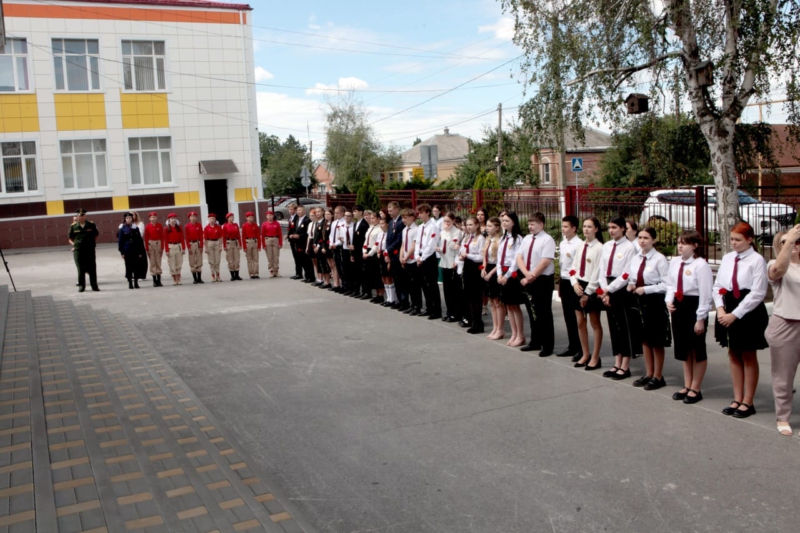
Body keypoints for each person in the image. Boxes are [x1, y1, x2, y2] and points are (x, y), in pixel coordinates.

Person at [713, 221, 769, 419]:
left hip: (748, 312)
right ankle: (737, 397)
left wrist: (735, 314)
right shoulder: (728, 258)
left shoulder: (757, 260)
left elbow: (758, 293)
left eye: (738, 240)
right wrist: (720, 309)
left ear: (749, 239)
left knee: (748, 354)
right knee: (733, 353)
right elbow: (718, 285)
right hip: (727, 306)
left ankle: (748, 401)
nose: (734, 243)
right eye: (732, 239)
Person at [609, 226, 671, 388]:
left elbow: (666, 284)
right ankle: (649, 373)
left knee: (656, 341)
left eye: (646, 238)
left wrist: (646, 289)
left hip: (654, 301)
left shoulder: (659, 259)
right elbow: (630, 276)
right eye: (640, 238)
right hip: (639, 301)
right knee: (645, 339)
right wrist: (631, 284)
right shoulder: (636, 258)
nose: (642, 241)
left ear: (653, 240)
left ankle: (658, 376)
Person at [665, 230, 713, 404]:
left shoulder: (701, 265)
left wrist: (700, 318)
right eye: (679, 242)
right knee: (684, 347)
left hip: (694, 306)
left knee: (696, 348)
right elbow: (670, 284)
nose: (680, 246)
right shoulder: (675, 262)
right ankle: (687, 384)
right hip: (679, 305)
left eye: (684, 243)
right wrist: (669, 300)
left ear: (695, 246)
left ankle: (696, 388)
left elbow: (705, 294)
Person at [766, 225, 800, 435]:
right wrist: (790, 240)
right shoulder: (774, 264)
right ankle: (783, 417)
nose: (794, 244)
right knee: (784, 377)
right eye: (786, 242)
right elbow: (778, 270)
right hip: (785, 326)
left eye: (797, 241)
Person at [599, 216, 640, 380]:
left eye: (614, 227)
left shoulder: (630, 247)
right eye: (609, 227)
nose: (611, 230)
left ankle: (625, 365)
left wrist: (608, 289)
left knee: (624, 327)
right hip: (607, 288)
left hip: (621, 289)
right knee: (613, 326)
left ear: (623, 228)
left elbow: (626, 274)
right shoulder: (607, 246)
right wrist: (604, 290)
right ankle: (617, 362)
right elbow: (602, 269)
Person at [515, 212, 557, 357]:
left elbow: (545, 262)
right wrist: (526, 274)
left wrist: (531, 276)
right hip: (528, 277)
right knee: (531, 311)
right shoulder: (527, 238)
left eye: (533, 224)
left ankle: (547, 345)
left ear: (541, 224)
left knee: (543, 313)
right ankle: (535, 341)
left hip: (542, 279)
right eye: (529, 224)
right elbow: (519, 257)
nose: (530, 227)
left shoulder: (547, 240)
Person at [570, 217, 605, 368]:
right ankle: (585, 353)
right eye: (584, 226)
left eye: (589, 227)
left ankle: (595, 357)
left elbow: (597, 272)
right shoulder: (580, 246)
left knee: (594, 322)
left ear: (596, 229)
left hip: (592, 286)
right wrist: (574, 282)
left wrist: (588, 293)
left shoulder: (600, 248)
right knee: (580, 322)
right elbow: (573, 267)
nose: (586, 229)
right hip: (579, 285)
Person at [496, 212, 525, 346]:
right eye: (503, 220)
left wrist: (507, 275)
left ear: (514, 222)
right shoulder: (503, 238)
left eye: (507, 221)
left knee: (515, 305)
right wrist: (499, 274)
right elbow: (499, 258)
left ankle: (520, 335)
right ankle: (514, 333)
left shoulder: (518, 239)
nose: (504, 223)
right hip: (503, 271)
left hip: (512, 273)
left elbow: (516, 259)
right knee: (508, 305)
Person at [557, 216, 583, 358]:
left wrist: (574, 281)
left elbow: (577, 266)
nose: (563, 229)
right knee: (567, 315)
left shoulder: (579, 244)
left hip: (574, 282)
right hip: (564, 280)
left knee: (577, 316)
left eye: (566, 226)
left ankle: (580, 347)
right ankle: (572, 345)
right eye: (562, 226)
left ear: (574, 228)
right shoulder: (563, 243)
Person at [415, 204, 443, 319]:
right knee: (424, 285)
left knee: (432, 285)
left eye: (421, 213)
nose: (420, 215)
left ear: (427, 213)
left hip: (429, 258)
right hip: (421, 257)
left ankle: (436, 310)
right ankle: (429, 307)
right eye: (419, 213)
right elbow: (417, 242)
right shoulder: (420, 227)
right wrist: (417, 255)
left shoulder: (433, 227)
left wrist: (422, 258)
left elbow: (431, 245)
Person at [459, 216, 486, 333]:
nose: (469, 227)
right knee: (469, 295)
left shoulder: (480, 238)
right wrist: (461, 256)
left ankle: (478, 322)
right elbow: (462, 250)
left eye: (471, 225)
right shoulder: (466, 237)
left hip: (475, 267)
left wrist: (468, 255)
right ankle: (472, 319)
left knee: (476, 296)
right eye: (467, 225)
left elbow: (481, 256)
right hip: (467, 266)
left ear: (477, 225)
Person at [438, 212, 463, 323]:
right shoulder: (443, 232)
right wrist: (438, 248)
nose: (446, 223)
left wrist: (448, 233)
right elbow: (441, 245)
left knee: (454, 290)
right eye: (445, 221)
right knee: (446, 289)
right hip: (444, 261)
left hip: (453, 262)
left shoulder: (457, 232)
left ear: (453, 221)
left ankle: (456, 313)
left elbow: (452, 245)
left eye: (448, 221)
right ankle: (449, 312)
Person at [482, 217, 504, 340]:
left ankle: (500, 329)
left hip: (496, 270)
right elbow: (485, 257)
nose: (487, 228)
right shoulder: (488, 239)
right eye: (487, 226)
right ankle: (495, 328)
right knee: (491, 301)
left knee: (497, 301)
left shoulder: (500, 241)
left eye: (490, 226)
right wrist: (483, 268)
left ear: (497, 227)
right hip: (488, 268)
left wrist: (490, 273)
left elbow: (500, 261)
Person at [69, 208, 100, 292]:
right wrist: (75, 245)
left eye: (82, 215)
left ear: (85, 216)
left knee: (92, 268)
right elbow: (70, 238)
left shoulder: (91, 225)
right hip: (79, 250)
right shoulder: (73, 226)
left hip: (89, 250)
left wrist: (91, 243)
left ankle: (94, 286)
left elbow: (96, 235)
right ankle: (81, 286)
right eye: (79, 215)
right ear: (77, 216)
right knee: (80, 269)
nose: (81, 217)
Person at [385, 202, 408, 310]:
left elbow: (399, 240)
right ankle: (399, 300)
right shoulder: (391, 222)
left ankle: (404, 301)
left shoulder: (401, 222)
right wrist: (387, 251)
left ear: (397, 209)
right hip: (392, 254)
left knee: (402, 279)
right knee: (396, 278)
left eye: (391, 211)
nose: (389, 213)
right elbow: (388, 238)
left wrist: (389, 249)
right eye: (388, 211)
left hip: (399, 254)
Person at [400, 208, 422, 315]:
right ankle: (412, 305)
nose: (403, 220)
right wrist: (401, 257)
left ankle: (417, 306)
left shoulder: (416, 229)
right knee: (409, 284)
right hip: (406, 260)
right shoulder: (404, 230)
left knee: (415, 285)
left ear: (412, 218)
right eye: (402, 218)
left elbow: (414, 246)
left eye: (405, 218)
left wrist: (406, 257)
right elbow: (403, 244)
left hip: (412, 260)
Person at [118, 212, 146, 289]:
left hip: (135, 250)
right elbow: (120, 241)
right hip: (127, 250)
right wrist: (122, 252)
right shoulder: (122, 228)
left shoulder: (135, 228)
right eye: (127, 218)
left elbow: (139, 241)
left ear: (132, 219)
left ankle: (136, 283)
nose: (128, 219)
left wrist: (140, 252)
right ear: (125, 219)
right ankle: (130, 283)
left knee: (136, 266)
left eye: (130, 218)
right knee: (128, 267)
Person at [363, 211, 385, 303]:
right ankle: (376, 294)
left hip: (374, 252)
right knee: (371, 274)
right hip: (367, 250)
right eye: (371, 218)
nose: (371, 220)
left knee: (377, 274)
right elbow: (366, 241)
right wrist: (364, 251)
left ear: (378, 219)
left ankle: (381, 295)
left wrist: (369, 254)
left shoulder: (379, 229)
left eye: (373, 218)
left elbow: (377, 243)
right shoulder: (371, 227)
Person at [352, 205, 370, 298]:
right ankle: (357, 290)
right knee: (357, 271)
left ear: (361, 212)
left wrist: (360, 249)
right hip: (356, 252)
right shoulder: (355, 224)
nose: (354, 213)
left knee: (363, 272)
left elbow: (363, 240)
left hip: (361, 251)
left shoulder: (364, 224)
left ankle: (366, 291)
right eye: (353, 211)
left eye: (355, 211)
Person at [144, 211, 165, 287]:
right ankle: (154, 280)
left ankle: (159, 280)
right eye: (151, 217)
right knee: (152, 262)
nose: (153, 218)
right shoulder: (147, 226)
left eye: (154, 217)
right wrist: (147, 248)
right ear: (149, 218)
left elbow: (162, 237)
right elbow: (146, 238)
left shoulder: (159, 226)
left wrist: (162, 247)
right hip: (151, 244)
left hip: (158, 243)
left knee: (158, 261)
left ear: (156, 218)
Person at [164, 213, 186, 285]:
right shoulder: (166, 229)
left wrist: (183, 248)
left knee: (179, 263)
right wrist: (167, 250)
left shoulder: (179, 228)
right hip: (171, 246)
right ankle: (174, 278)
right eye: (172, 218)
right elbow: (166, 240)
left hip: (178, 246)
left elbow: (182, 238)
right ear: (169, 220)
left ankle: (178, 277)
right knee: (172, 263)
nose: (173, 220)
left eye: (174, 218)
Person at [295, 206, 314, 283]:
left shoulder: (307, 220)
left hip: (305, 243)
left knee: (307, 261)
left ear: (304, 211)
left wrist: (299, 236)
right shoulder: (297, 220)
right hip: (298, 243)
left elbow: (308, 233)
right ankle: (306, 276)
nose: (298, 212)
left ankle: (311, 277)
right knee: (302, 260)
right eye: (297, 210)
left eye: (300, 210)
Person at [261, 211, 283, 277]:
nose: (269, 217)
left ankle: (276, 271)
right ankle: (271, 271)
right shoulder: (264, 224)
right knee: (269, 257)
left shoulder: (277, 224)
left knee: (276, 256)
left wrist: (280, 243)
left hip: (275, 239)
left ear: (273, 216)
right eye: (268, 215)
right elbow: (262, 235)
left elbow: (280, 234)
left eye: (271, 215)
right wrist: (263, 245)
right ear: (266, 216)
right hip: (268, 239)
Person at [329, 206, 346, 292]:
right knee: (337, 265)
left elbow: (343, 236)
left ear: (342, 213)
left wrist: (336, 244)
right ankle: (338, 284)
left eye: (337, 213)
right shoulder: (334, 223)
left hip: (340, 246)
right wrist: (331, 243)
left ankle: (344, 284)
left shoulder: (344, 222)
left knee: (342, 266)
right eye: (335, 213)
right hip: (334, 246)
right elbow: (332, 234)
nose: (336, 214)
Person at [185, 212, 205, 284]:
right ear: (189, 218)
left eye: (194, 217)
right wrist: (188, 247)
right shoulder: (187, 226)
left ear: (196, 218)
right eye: (191, 217)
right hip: (191, 243)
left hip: (198, 243)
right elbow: (186, 237)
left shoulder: (199, 225)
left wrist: (201, 246)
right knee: (192, 260)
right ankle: (195, 278)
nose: (193, 218)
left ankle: (199, 278)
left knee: (199, 260)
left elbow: (201, 236)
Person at [222, 213, 243, 281]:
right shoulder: (225, 226)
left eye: (233, 217)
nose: (232, 218)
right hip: (229, 242)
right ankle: (232, 275)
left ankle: (237, 275)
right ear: (227, 218)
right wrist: (224, 245)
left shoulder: (236, 225)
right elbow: (224, 236)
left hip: (235, 242)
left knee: (237, 259)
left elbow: (238, 235)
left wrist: (240, 244)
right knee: (230, 259)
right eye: (230, 217)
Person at [339, 210, 356, 293]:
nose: (346, 217)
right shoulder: (342, 226)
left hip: (352, 249)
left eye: (348, 216)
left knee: (352, 269)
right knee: (345, 268)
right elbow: (341, 237)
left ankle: (352, 287)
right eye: (345, 216)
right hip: (345, 248)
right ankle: (346, 286)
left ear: (352, 217)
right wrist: (341, 240)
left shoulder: (354, 226)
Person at [204, 214, 224, 282]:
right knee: (211, 261)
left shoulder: (218, 227)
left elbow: (220, 237)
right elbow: (205, 239)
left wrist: (220, 246)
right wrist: (206, 248)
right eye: (210, 219)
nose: (212, 220)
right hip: (210, 243)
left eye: (213, 219)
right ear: (208, 219)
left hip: (217, 243)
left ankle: (218, 275)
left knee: (217, 260)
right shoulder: (206, 228)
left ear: (215, 219)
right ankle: (213, 276)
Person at [241, 211, 261, 279]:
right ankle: (251, 274)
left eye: (252, 217)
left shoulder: (255, 225)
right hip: (248, 242)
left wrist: (259, 246)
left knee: (255, 258)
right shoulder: (244, 226)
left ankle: (256, 273)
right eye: (249, 217)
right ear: (246, 218)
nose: (251, 218)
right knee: (249, 259)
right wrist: (244, 246)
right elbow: (243, 236)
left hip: (254, 241)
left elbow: (258, 236)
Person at [287, 203, 302, 279]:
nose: (290, 211)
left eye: (291, 209)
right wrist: (287, 235)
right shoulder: (290, 218)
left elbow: (295, 229)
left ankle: (299, 273)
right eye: (289, 209)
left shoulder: (296, 218)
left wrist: (293, 235)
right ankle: (297, 272)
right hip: (292, 240)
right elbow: (290, 229)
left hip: (296, 240)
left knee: (298, 257)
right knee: (295, 257)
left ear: (295, 210)